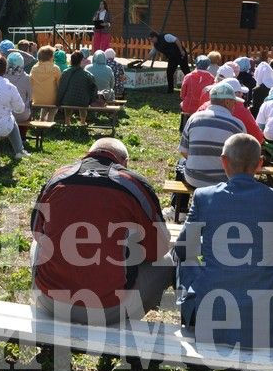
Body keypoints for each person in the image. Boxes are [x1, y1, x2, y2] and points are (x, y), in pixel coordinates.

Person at [31, 138, 174, 325]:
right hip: (108, 311)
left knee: (37, 243)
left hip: (51, 304)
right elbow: (160, 248)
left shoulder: (58, 177)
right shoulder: (133, 184)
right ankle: (127, 321)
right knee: (167, 262)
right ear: (125, 162)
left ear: (88, 154)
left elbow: (36, 233)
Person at [176, 134, 273, 347]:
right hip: (261, 318)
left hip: (210, 311)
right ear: (259, 164)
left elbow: (183, 249)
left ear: (224, 161)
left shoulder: (204, 196)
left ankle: (190, 316)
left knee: (182, 260)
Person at [178, 82, 247, 189]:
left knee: (181, 162)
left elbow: (183, 151)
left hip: (194, 179)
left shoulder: (194, 118)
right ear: (227, 102)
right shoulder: (238, 125)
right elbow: (242, 159)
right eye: (234, 102)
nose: (234, 106)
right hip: (224, 181)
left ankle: (179, 204)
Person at [195, 78, 264, 145]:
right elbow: (258, 138)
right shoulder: (240, 110)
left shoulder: (202, 108)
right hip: (229, 154)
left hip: (197, 153)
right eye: (239, 92)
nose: (242, 94)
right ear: (232, 95)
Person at [57, 50, 97, 125]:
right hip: (83, 101)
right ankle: (82, 122)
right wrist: (91, 100)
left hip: (68, 101)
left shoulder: (65, 72)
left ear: (71, 60)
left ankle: (67, 122)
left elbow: (61, 88)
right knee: (83, 100)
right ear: (81, 61)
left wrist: (58, 101)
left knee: (68, 100)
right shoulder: (87, 75)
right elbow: (94, 88)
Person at [179, 54, 215, 132]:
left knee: (183, 105)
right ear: (208, 66)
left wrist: (183, 99)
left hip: (188, 106)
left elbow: (182, 93)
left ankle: (183, 128)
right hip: (203, 108)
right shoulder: (211, 78)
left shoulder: (189, 76)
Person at [30, 45, 61, 121]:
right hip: (52, 100)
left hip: (36, 99)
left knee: (45, 101)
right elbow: (60, 83)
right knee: (53, 107)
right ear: (51, 57)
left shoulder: (34, 68)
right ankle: (50, 120)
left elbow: (30, 82)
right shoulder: (55, 68)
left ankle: (42, 119)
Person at [5, 52, 32, 125]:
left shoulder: (2, 77)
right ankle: (22, 136)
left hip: (4, 114)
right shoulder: (27, 78)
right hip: (21, 115)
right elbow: (30, 97)